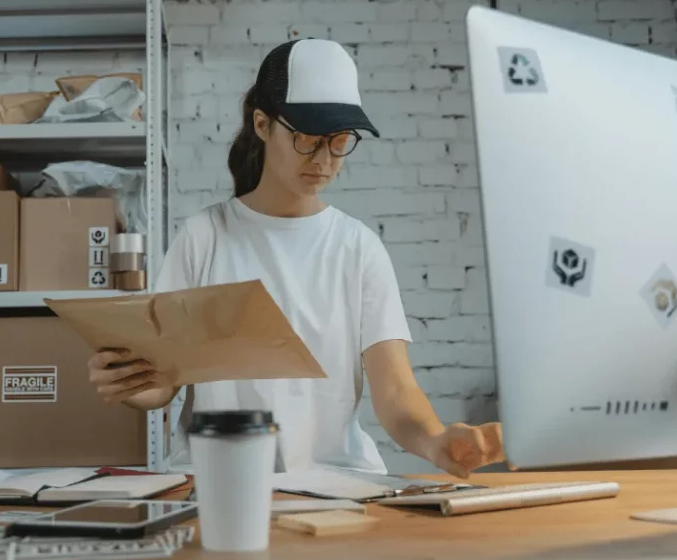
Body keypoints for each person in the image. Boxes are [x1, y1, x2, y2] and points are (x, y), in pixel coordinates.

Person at [87, 38, 507, 479]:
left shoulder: (357, 248)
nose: (324, 159)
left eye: (339, 141)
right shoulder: (203, 238)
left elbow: (396, 390)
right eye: (306, 139)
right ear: (263, 125)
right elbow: (164, 382)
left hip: (337, 483)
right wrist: (128, 381)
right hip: (218, 481)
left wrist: (435, 442)